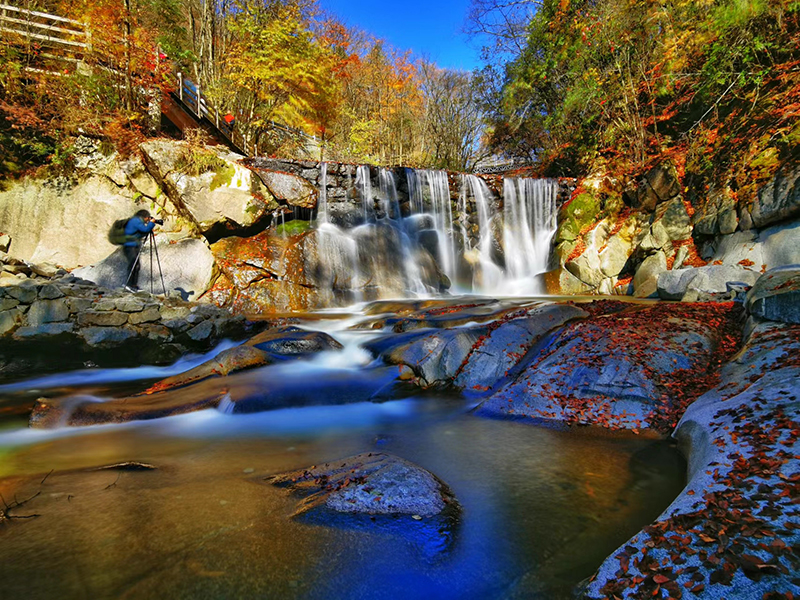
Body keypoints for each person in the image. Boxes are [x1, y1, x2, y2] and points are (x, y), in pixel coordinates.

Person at [122, 209, 161, 292]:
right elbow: (145, 230)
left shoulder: (136, 221)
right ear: (145, 217)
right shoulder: (135, 221)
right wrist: (151, 223)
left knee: (136, 266)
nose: (148, 220)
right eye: (148, 218)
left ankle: (134, 285)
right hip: (130, 246)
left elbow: (141, 232)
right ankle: (129, 285)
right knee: (133, 265)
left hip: (133, 246)